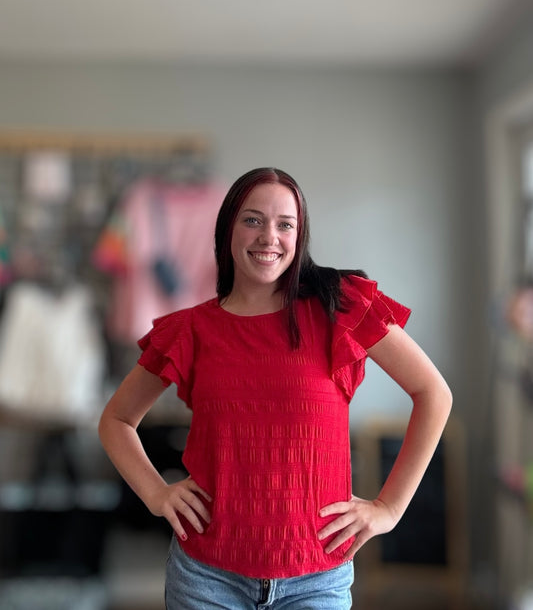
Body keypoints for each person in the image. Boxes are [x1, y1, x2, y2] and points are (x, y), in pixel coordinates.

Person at [98, 167, 452, 609]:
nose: (269, 236)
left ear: (299, 236)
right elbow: (116, 420)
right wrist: (156, 492)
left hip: (316, 579)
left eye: (285, 224)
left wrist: (390, 508)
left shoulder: (339, 306)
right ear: (228, 228)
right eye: (253, 220)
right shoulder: (190, 330)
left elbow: (434, 393)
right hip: (206, 578)